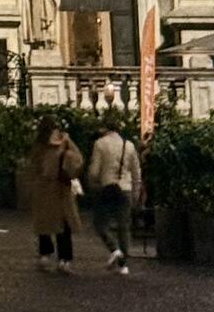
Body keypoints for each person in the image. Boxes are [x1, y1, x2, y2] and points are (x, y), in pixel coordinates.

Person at [27, 114, 83, 273]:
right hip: (62, 188)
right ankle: (65, 259)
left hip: (44, 188)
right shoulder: (65, 141)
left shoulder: (39, 145)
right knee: (64, 226)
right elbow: (78, 158)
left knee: (44, 224)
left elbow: (34, 165)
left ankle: (45, 255)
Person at [86, 117, 142, 275]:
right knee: (124, 227)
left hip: (107, 188)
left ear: (105, 129)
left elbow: (94, 171)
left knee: (100, 223)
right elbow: (136, 172)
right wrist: (136, 192)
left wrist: (92, 182)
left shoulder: (100, 144)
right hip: (125, 189)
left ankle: (114, 248)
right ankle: (124, 264)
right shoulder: (129, 145)